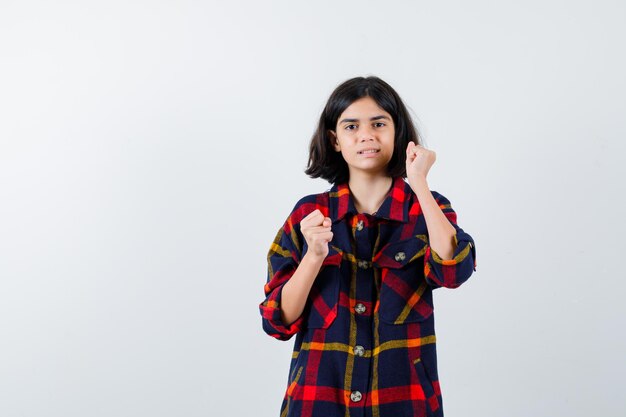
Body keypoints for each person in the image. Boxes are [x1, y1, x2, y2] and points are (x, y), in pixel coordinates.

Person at [258, 75, 477, 417]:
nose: (366, 135)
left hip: (405, 403)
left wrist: (418, 182)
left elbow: (454, 270)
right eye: (351, 126)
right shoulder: (308, 214)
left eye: (378, 123)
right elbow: (277, 320)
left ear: (397, 132)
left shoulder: (427, 208)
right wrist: (313, 257)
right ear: (334, 139)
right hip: (318, 403)